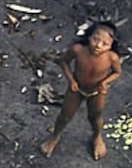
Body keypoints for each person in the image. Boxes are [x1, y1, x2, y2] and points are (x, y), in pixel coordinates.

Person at [40, 21, 122, 160]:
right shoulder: (78, 50)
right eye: (95, 39)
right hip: (76, 89)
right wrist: (71, 80)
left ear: (111, 46)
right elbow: (64, 61)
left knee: (95, 117)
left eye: (105, 44)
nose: (98, 46)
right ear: (89, 36)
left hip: (97, 92)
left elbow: (117, 73)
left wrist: (105, 82)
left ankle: (97, 136)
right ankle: (55, 136)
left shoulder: (111, 57)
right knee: (65, 115)